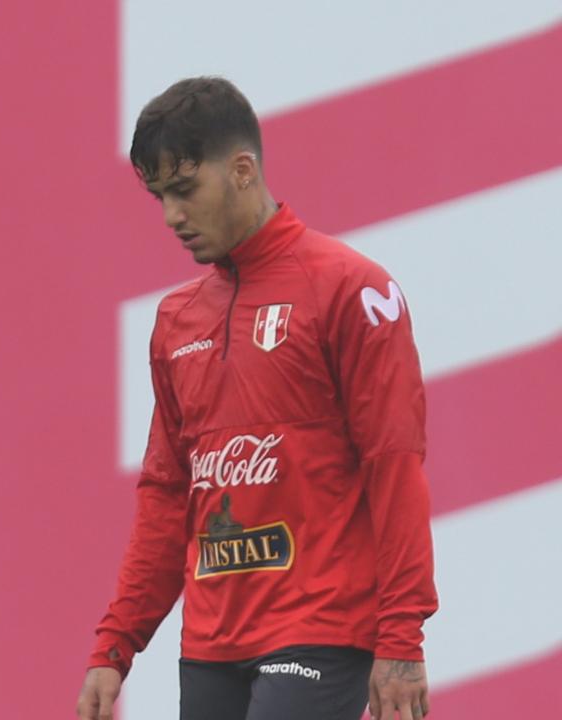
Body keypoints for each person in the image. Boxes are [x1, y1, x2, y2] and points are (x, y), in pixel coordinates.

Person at [76, 77, 437, 720]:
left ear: (243, 170)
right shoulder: (176, 321)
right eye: (160, 197)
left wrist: (402, 639)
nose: (171, 216)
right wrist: (115, 645)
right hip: (210, 643)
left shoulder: (352, 289)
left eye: (185, 190)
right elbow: (167, 496)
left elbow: (395, 466)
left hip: (321, 630)